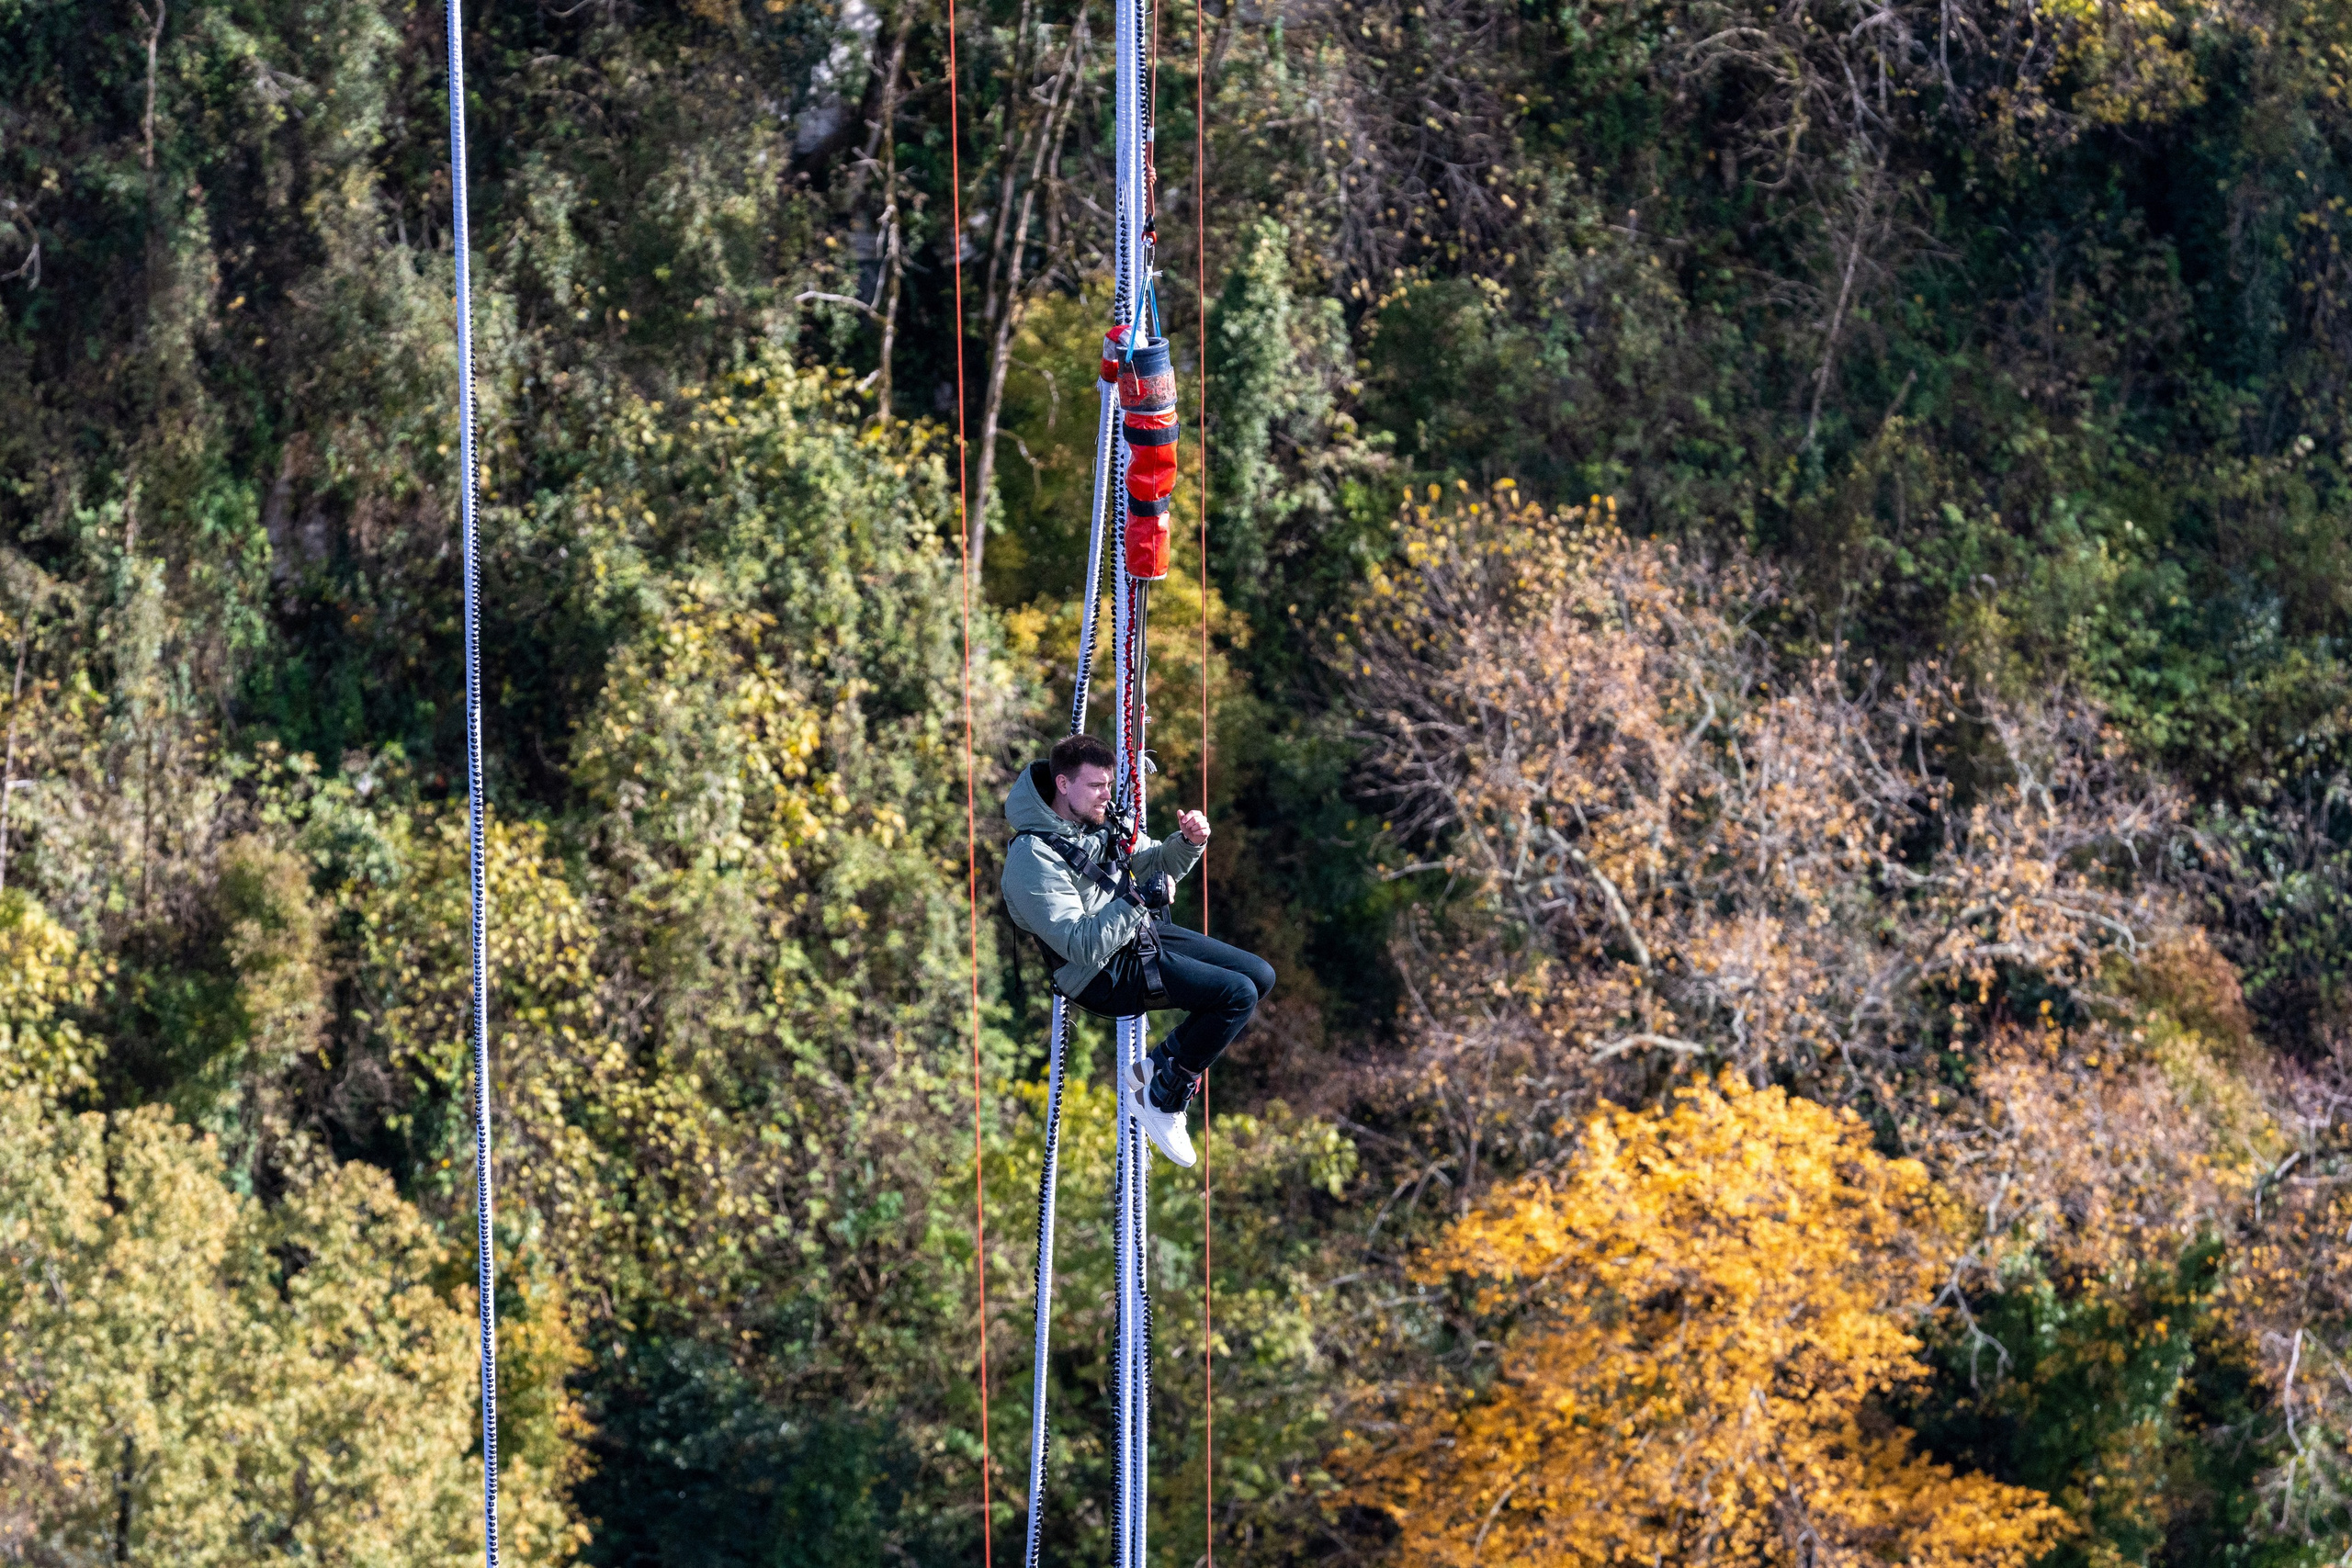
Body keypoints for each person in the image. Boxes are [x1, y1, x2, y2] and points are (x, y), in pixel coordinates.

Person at [1001, 733, 1275, 1167]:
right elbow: (1082, 944)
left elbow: (1154, 862)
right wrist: (1140, 900)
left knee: (1260, 977)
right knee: (1235, 996)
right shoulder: (1031, 859)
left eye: (1108, 785)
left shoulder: (1097, 821)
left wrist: (1186, 843)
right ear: (1063, 784)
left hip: (1134, 935)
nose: (1106, 795)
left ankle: (1158, 1065)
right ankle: (1163, 1099)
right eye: (1096, 786)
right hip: (1099, 976)